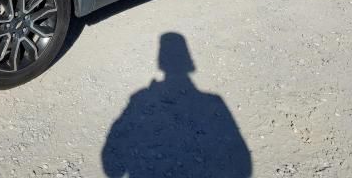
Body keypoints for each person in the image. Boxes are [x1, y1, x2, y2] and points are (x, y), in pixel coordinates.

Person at [102, 32, 252, 177]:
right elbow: (245, 166)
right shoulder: (214, 100)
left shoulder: (139, 97)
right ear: (190, 62)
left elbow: (111, 166)